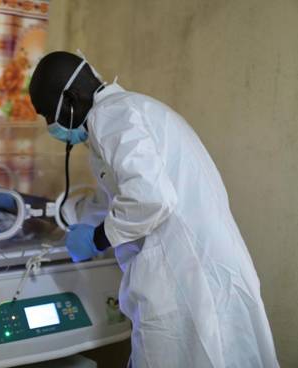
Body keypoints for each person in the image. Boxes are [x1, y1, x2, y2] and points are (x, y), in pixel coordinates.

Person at [27, 51, 279, 368]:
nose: (50, 124)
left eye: (48, 113)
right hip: (206, 270)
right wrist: (35, 207)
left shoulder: (112, 118)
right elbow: (111, 203)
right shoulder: (134, 110)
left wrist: (97, 240)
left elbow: (150, 198)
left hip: (183, 280)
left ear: (73, 98)